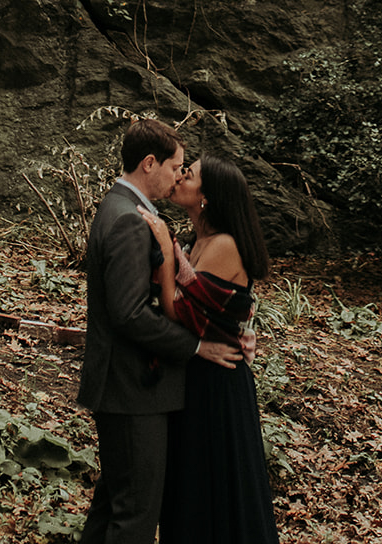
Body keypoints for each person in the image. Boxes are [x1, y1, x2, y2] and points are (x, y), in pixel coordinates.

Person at [77, 119, 243, 544]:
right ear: (150, 163)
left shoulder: (122, 208)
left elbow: (204, 292)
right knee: (134, 515)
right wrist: (196, 347)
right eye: (176, 167)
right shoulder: (131, 219)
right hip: (132, 387)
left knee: (114, 504)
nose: (178, 177)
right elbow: (130, 314)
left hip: (127, 384)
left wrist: (236, 328)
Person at [140, 153, 280, 544]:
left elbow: (176, 309)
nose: (182, 176)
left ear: (208, 196)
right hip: (198, 374)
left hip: (219, 385)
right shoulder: (195, 242)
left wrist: (167, 251)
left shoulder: (223, 245)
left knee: (216, 487)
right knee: (193, 485)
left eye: (191, 173)